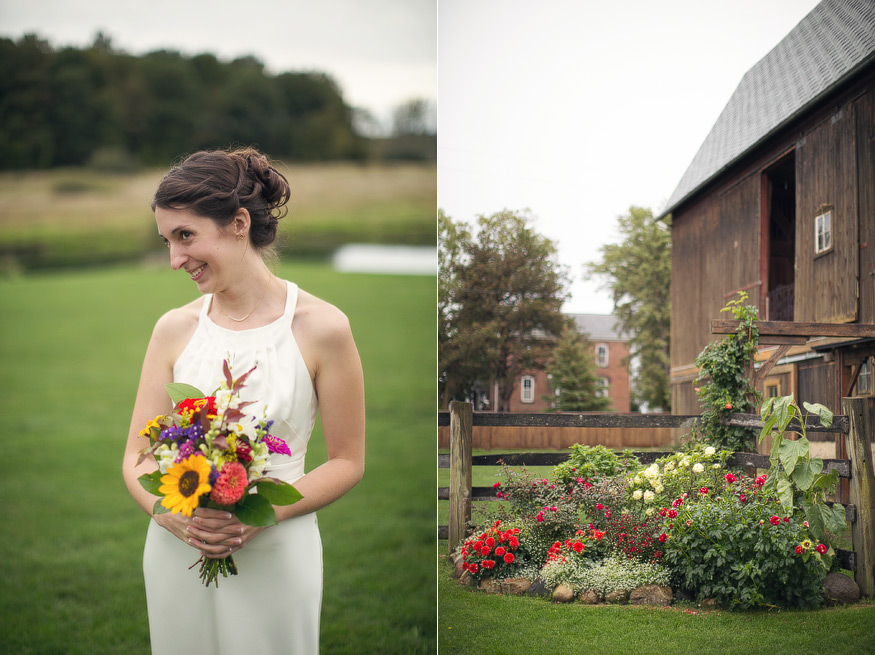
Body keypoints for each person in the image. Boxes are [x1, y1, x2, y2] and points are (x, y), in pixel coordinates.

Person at [122, 147, 365, 654]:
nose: (174, 260)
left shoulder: (323, 328)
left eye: (185, 236)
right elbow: (136, 457)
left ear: (237, 223)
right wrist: (169, 514)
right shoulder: (173, 329)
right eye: (167, 241)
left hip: (277, 547)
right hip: (177, 549)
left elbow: (347, 461)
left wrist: (257, 517)